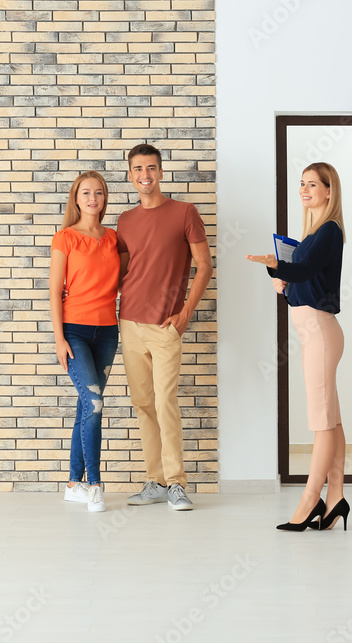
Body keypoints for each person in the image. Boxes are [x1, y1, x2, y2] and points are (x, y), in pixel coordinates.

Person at [247, 161, 351, 532]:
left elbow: (303, 272)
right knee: (331, 420)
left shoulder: (328, 231)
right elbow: (306, 282)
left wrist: (277, 266)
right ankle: (336, 498)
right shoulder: (314, 234)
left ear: (329, 191)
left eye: (312, 185)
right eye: (301, 184)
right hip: (317, 331)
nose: (305, 191)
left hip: (321, 334)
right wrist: (283, 282)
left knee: (321, 423)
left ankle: (310, 500)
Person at [118, 143, 213, 512]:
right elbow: (124, 271)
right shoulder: (125, 220)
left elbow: (204, 266)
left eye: (152, 168)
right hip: (129, 323)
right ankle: (155, 480)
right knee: (143, 404)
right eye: (138, 169)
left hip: (166, 325)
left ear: (161, 171)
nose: (145, 176)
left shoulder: (185, 213)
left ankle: (176, 483)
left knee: (165, 401)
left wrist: (187, 311)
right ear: (130, 175)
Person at [50, 171, 120, 513]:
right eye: (86, 193)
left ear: (105, 199)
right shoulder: (65, 238)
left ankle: (73, 483)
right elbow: (53, 291)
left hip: (107, 331)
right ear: (76, 199)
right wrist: (59, 338)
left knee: (85, 405)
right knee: (93, 404)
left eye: (99, 193)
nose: (93, 198)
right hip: (75, 331)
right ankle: (94, 484)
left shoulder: (113, 238)